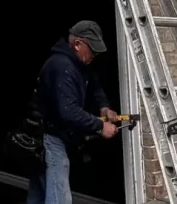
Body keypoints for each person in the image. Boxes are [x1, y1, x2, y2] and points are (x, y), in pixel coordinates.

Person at [26, 20, 119, 204]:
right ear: (77, 44)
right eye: (93, 50)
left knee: (39, 194)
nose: (95, 55)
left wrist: (104, 107)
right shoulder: (61, 66)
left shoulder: (80, 64)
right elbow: (69, 111)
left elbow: (94, 86)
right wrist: (100, 126)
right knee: (59, 197)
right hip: (49, 138)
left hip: (49, 136)